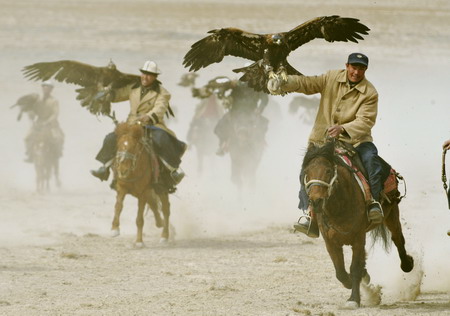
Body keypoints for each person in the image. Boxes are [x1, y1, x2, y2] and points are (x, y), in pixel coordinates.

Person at [268, 52, 386, 238]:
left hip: (355, 141)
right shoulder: (331, 77)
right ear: (347, 66)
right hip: (322, 141)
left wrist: (343, 128)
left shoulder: (370, 92)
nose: (356, 72)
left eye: (360, 69)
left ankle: (373, 203)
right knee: (308, 171)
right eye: (353, 67)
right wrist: (284, 82)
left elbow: (366, 121)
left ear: (365, 70)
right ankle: (310, 216)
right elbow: (307, 83)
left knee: (372, 161)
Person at [90, 60, 186, 190]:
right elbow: (119, 95)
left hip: (152, 125)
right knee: (110, 138)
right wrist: (107, 95)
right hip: (132, 125)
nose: (145, 77)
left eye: (149, 74)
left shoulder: (163, 93)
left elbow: (160, 108)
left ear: (155, 77)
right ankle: (105, 167)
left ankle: (173, 170)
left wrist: (149, 116)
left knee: (162, 139)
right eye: (143, 73)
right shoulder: (133, 88)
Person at [214, 78, 269, 156]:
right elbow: (221, 93)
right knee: (221, 125)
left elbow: (264, 99)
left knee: (263, 123)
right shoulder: (236, 84)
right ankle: (223, 144)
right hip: (235, 112)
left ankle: (260, 143)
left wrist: (260, 109)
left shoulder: (258, 85)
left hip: (251, 112)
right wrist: (228, 85)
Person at [23, 81, 64, 163]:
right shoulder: (37, 100)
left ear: (51, 89)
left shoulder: (54, 101)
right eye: (44, 87)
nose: (46, 89)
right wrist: (31, 114)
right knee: (27, 138)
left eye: (49, 87)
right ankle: (30, 155)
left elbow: (55, 114)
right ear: (42, 88)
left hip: (51, 124)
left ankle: (57, 154)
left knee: (60, 137)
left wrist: (47, 122)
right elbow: (33, 111)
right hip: (39, 123)